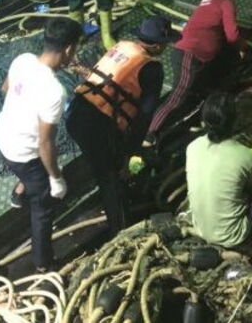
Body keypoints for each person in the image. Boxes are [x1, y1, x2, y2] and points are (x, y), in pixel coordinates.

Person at [66, 15, 179, 236]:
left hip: (76, 111)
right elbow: (144, 115)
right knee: (112, 176)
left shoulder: (122, 46)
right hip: (97, 123)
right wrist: (130, 153)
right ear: (157, 45)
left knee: (103, 162)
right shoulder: (151, 68)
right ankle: (121, 231)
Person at [0, 17, 82, 272]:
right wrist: (57, 178)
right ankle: (43, 263)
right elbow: (45, 143)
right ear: (68, 49)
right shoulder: (55, 91)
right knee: (43, 207)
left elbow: (5, 88)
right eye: (75, 48)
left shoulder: (23, 60)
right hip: (23, 152)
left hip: (3, 136)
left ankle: (18, 192)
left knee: (28, 172)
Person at [145, 0, 247, 145]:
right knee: (178, 95)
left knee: (203, 89)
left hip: (193, 56)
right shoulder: (225, 2)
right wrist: (242, 48)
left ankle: (203, 120)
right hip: (190, 55)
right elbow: (232, 35)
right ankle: (150, 133)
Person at [185, 92, 252, 248]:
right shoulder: (245, 155)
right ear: (234, 121)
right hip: (233, 237)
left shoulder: (192, 147)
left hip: (201, 229)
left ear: (204, 120)